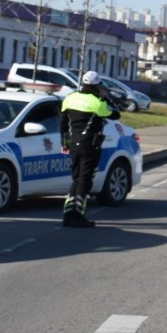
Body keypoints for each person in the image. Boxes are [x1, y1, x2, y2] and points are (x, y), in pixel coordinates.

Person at [59, 70, 120, 228]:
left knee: (76, 178)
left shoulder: (70, 98)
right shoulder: (97, 103)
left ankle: (68, 215)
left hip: (73, 143)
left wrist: (64, 143)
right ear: (96, 86)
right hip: (90, 145)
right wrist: (106, 97)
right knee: (85, 181)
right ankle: (78, 215)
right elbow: (116, 114)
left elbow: (63, 124)